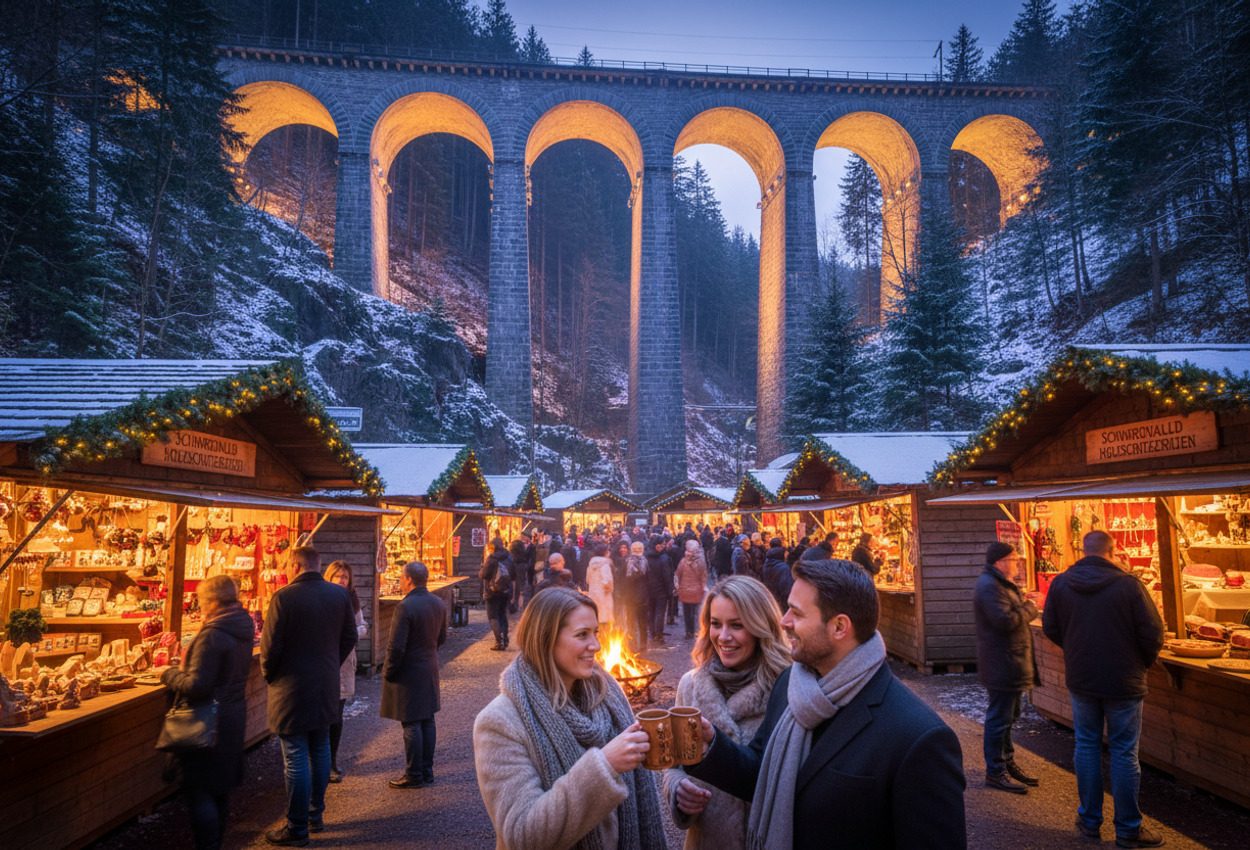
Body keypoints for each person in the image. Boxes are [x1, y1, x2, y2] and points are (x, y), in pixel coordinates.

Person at [683, 558, 966, 849]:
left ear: (840, 626)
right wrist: (711, 745)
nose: (784, 622)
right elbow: (760, 772)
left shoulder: (919, 738)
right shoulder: (790, 684)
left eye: (796, 613)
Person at [473, 587, 668, 850]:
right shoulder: (499, 722)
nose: (596, 646)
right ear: (545, 640)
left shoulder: (608, 694)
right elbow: (523, 836)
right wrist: (604, 766)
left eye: (595, 633)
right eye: (582, 635)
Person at [1042, 531, 1165, 848]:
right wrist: (1141, 663)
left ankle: (1089, 821)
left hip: (1082, 679)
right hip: (1124, 681)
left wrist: (1075, 651)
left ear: (1084, 552)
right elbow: (1153, 633)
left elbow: (1051, 628)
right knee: (1124, 753)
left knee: (1086, 746)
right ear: (1112, 552)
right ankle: (1128, 830)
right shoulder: (1130, 585)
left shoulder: (1061, 583)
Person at [663, 576, 791, 850]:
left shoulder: (788, 689)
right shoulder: (690, 685)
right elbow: (673, 765)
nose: (723, 636)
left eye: (737, 625)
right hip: (708, 840)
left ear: (761, 626)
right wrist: (678, 789)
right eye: (716, 623)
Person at [260, 545, 358, 846]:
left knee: (296, 756)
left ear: (295, 565)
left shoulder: (283, 597)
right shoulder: (339, 595)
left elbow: (270, 648)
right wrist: (331, 663)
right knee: (319, 749)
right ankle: (315, 816)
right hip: (325, 685)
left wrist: (271, 674)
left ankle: (297, 826)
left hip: (291, 688)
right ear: (318, 565)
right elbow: (350, 636)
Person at [161, 575, 254, 850]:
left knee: (200, 789)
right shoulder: (242, 625)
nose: (199, 607)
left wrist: (169, 673)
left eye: (201, 601)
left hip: (207, 722)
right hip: (232, 716)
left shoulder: (213, 634)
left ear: (213, 601)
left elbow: (197, 686)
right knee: (219, 789)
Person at [973, 542, 1040, 795]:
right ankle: (996, 771)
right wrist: (1029, 608)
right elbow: (1004, 620)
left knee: (1008, 718)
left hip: (1008, 661)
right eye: (1013, 560)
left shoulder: (997, 583)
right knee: (999, 719)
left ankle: (1006, 763)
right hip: (1002, 662)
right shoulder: (989, 585)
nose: (1016, 564)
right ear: (999, 562)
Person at [381, 561, 449, 789]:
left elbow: (397, 647)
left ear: (409, 579)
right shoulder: (438, 603)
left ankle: (414, 774)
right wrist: (429, 652)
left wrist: (389, 671)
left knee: (410, 722)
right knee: (427, 719)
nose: (400, 580)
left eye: (401, 576)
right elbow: (441, 638)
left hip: (409, 671)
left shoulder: (405, 606)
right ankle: (426, 770)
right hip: (429, 666)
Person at [323, 561, 369, 784]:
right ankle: (320, 761)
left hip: (344, 662)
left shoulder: (352, 599)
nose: (341, 580)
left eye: (345, 576)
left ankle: (331, 762)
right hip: (323, 660)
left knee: (337, 714)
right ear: (329, 577)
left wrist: (356, 631)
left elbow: (362, 625)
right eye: (337, 576)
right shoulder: (321, 598)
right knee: (322, 713)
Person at [480, 542, 514, 651]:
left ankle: (499, 642)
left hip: (492, 591)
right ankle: (505, 639)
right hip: (506, 590)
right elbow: (514, 575)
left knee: (493, 616)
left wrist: (481, 570)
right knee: (502, 614)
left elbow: (483, 575)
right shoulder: (509, 557)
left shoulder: (492, 558)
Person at [674, 539, 709, 639]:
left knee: (686, 612)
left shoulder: (683, 561)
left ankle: (688, 631)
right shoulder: (700, 562)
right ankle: (694, 631)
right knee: (695, 612)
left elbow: (678, 574)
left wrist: (678, 586)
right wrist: (703, 587)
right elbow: (704, 576)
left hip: (685, 591)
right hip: (697, 591)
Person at [623, 541, 651, 650]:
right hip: (643, 596)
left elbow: (626, 581)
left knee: (631, 622)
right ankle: (643, 644)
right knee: (642, 622)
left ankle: (632, 643)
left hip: (630, 597)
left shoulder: (628, 562)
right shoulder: (645, 562)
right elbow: (649, 580)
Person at [645, 535, 672, 644]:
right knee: (659, 613)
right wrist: (670, 591)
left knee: (651, 612)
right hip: (661, 591)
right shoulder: (664, 558)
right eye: (662, 545)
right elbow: (667, 576)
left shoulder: (646, 557)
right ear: (657, 546)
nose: (663, 546)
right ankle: (659, 635)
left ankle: (652, 633)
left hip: (649, 590)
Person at [760, 538, 792, 613]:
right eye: (785, 553)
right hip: (782, 603)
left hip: (772, 599)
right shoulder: (783, 568)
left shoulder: (767, 563)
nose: (787, 555)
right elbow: (787, 589)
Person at [587, 543, 616, 626]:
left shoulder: (591, 564)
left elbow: (588, 579)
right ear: (605, 553)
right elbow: (607, 581)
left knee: (596, 617)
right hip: (604, 596)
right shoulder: (605, 565)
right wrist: (609, 589)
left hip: (593, 594)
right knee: (604, 619)